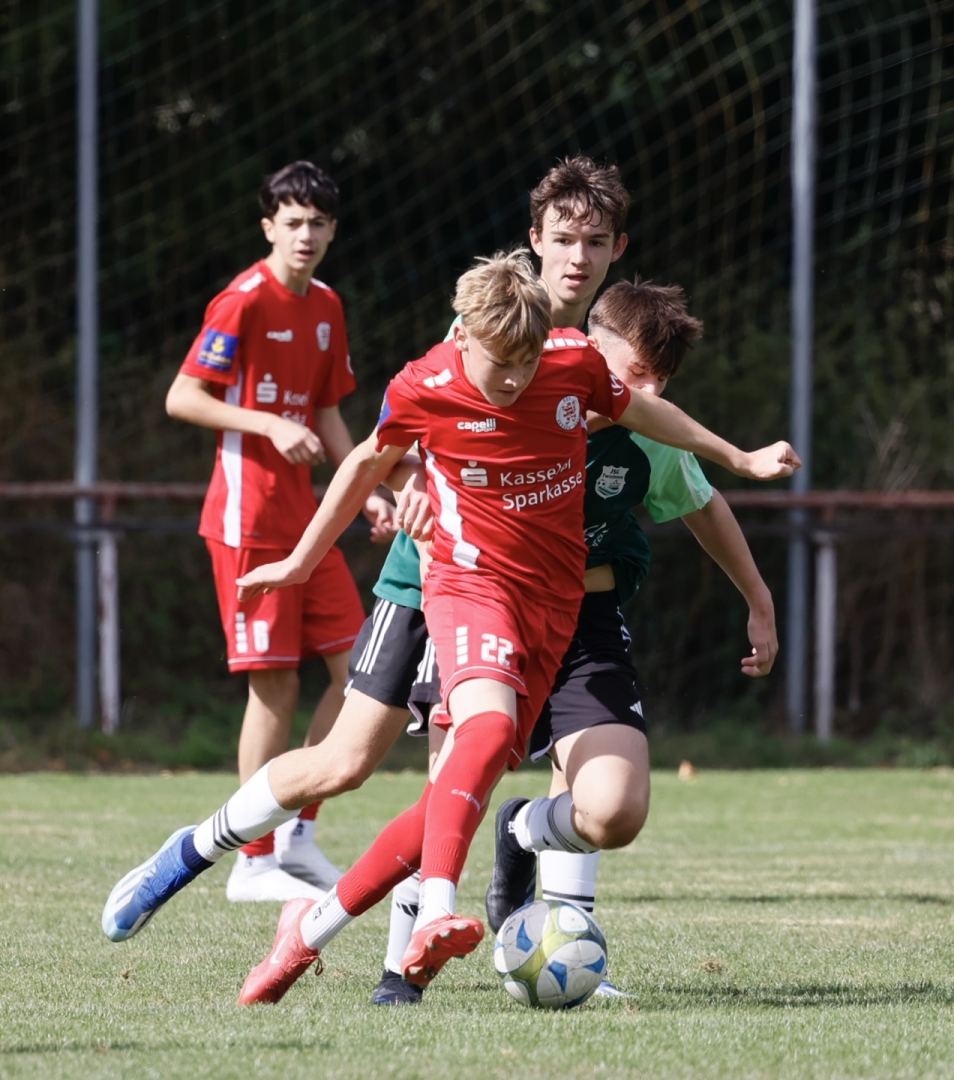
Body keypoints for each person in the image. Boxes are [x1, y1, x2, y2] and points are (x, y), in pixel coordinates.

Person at [103, 250, 799, 1005]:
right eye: (502, 363)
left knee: (466, 776)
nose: (514, 379)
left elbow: (645, 415)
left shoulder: (569, 367)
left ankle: (310, 929)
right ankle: (379, 910)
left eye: (526, 362)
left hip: (551, 604)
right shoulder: (428, 380)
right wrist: (308, 556)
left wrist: (738, 457)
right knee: (401, 751)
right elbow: (370, 459)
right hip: (459, 582)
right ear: (463, 333)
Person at [483, 278, 779, 944]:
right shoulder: (522, 390)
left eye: (662, 380)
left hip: (585, 620)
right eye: (638, 372)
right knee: (413, 773)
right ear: (592, 348)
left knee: (614, 810)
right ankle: (404, 956)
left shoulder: (653, 433)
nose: (650, 392)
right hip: (490, 610)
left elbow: (704, 506)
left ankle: (526, 842)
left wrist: (758, 600)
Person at [164, 161, 395, 903]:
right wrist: (266, 422)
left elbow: (327, 413)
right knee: (275, 688)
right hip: (248, 523)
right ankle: (252, 859)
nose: (306, 234)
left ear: (333, 230)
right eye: (292, 222)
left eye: (318, 223)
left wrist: (369, 491)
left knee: (360, 673)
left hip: (306, 528)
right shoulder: (243, 300)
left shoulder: (327, 306)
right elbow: (183, 397)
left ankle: (295, 833)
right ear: (268, 226)